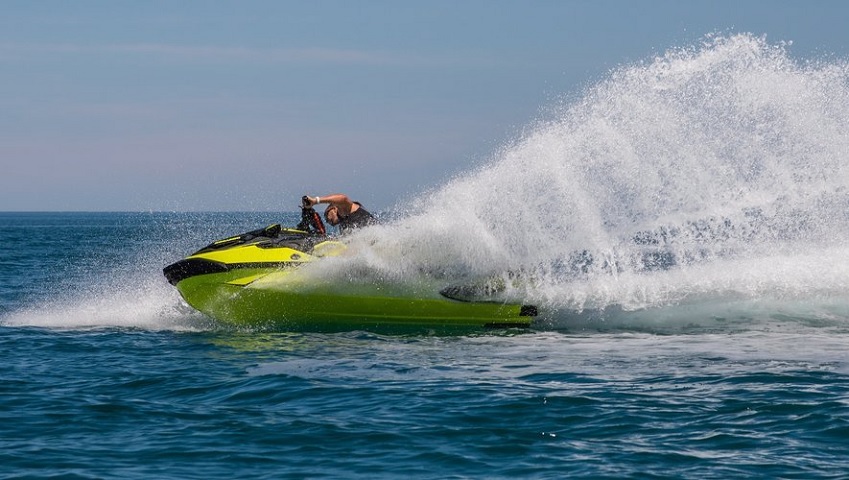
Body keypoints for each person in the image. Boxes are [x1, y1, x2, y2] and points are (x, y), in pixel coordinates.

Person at [303, 193, 375, 233]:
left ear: (333, 209)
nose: (328, 221)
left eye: (327, 217)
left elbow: (343, 198)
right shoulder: (343, 225)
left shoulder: (345, 210)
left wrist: (316, 201)